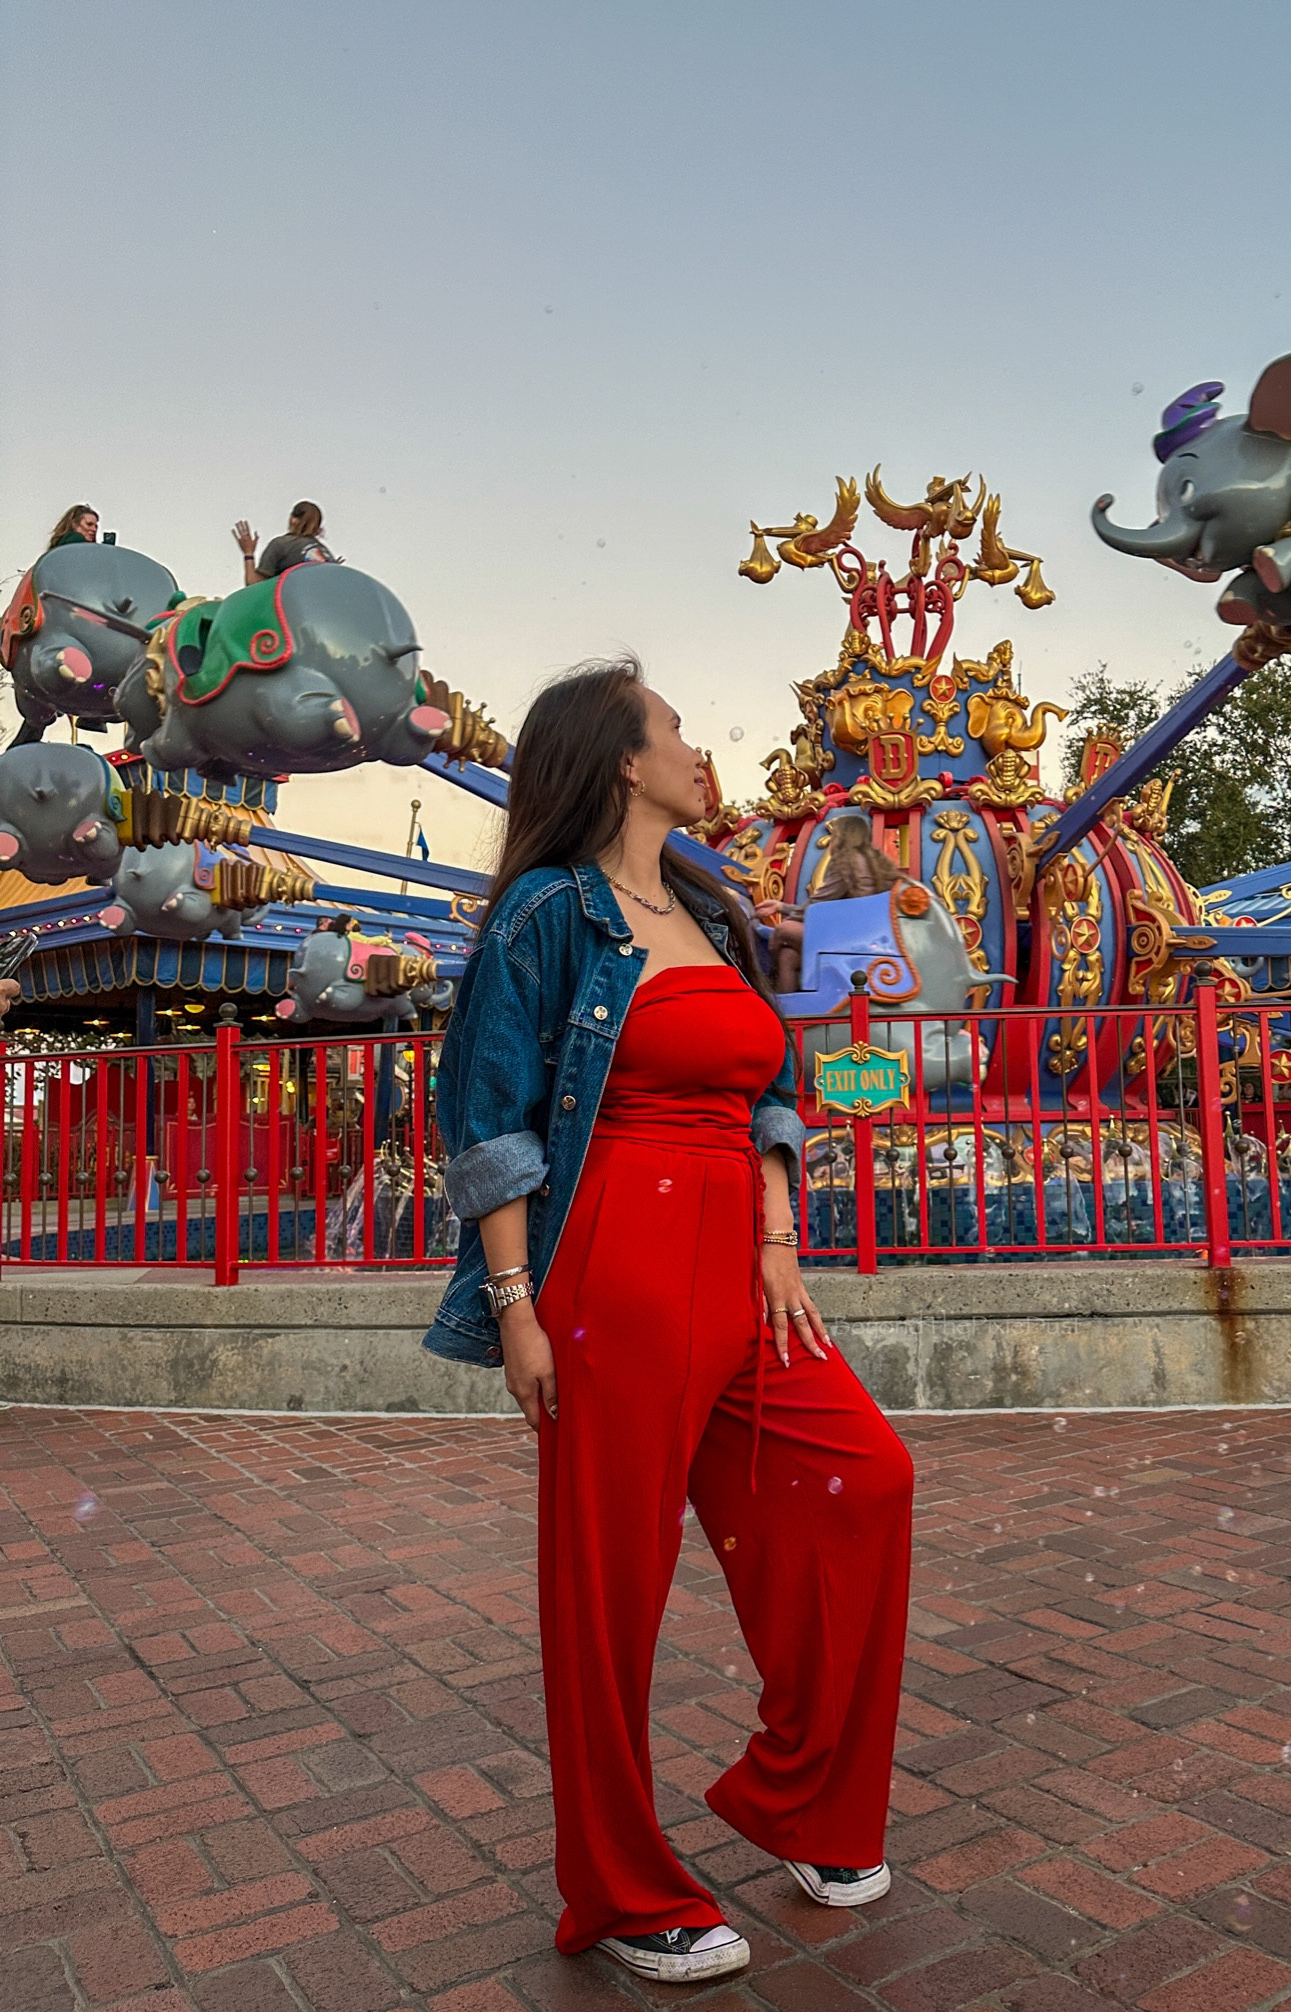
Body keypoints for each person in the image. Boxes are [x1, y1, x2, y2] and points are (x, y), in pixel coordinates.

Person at [424, 657, 913, 1985]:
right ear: (622, 761)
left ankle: (798, 1796)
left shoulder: (707, 903)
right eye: (678, 732)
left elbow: (767, 1090)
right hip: (613, 1269)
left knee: (863, 1479)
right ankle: (623, 1888)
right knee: (609, 1589)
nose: (703, 752)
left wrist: (776, 1235)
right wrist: (519, 1311)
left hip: (738, 1265)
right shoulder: (548, 916)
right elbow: (489, 1121)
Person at [758, 813, 899, 993]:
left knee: (783, 930)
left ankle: (767, 981)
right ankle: (790, 1006)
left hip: (849, 939)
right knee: (789, 957)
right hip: (868, 935)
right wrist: (780, 907)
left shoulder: (848, 862)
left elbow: (818, 904)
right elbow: (825, 908)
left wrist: (788, 914)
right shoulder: (877, 862)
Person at [231, 501, 339, 586]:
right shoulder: (326, 552)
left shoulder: (281, 544)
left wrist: (248, 553)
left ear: (293, 520)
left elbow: (254, 585)